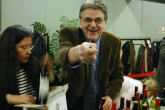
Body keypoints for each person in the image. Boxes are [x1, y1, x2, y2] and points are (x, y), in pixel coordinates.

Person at [54, 1, 124, 110]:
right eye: (87, 20)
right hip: (72, 101)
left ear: (104, 23)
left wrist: (109, 95)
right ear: (80, 22)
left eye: (98, 20)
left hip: (100, 101)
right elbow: (60, 56)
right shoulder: (69, 33)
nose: (92, 25)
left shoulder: (113, 42)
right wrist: (77, 52)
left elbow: (117, 76)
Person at [0, 25, 53, 110]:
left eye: (30, 46)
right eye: (24, 47)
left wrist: (47, 73)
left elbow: (43, 96)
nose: (29, 51)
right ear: (10, 48)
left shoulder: (32, 63)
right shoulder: (3, 69)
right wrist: (10, 98)